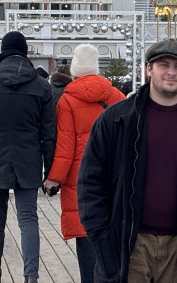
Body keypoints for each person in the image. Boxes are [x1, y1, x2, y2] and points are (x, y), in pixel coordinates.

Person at [78, 39, 177, 283]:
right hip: (128, 242)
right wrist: (102, 238)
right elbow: (90, 182)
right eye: (163, 65)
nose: (171, 72)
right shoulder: (116, 120)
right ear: (149, 69)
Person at [0, 31, 55, 283]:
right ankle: (31, 276)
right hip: (28, 160)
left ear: (3, 52)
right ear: (25, 52)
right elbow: (49, 133)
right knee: (28, 219)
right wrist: (51, 172)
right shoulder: (41, 86)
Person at [43, 44, 124, 283]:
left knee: (86, 237)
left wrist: (53, 178)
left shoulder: (67, 101)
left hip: (82, 182)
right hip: (113, 179)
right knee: (114, 246)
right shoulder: (116, 96)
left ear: (75, 70)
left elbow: (65, 148)